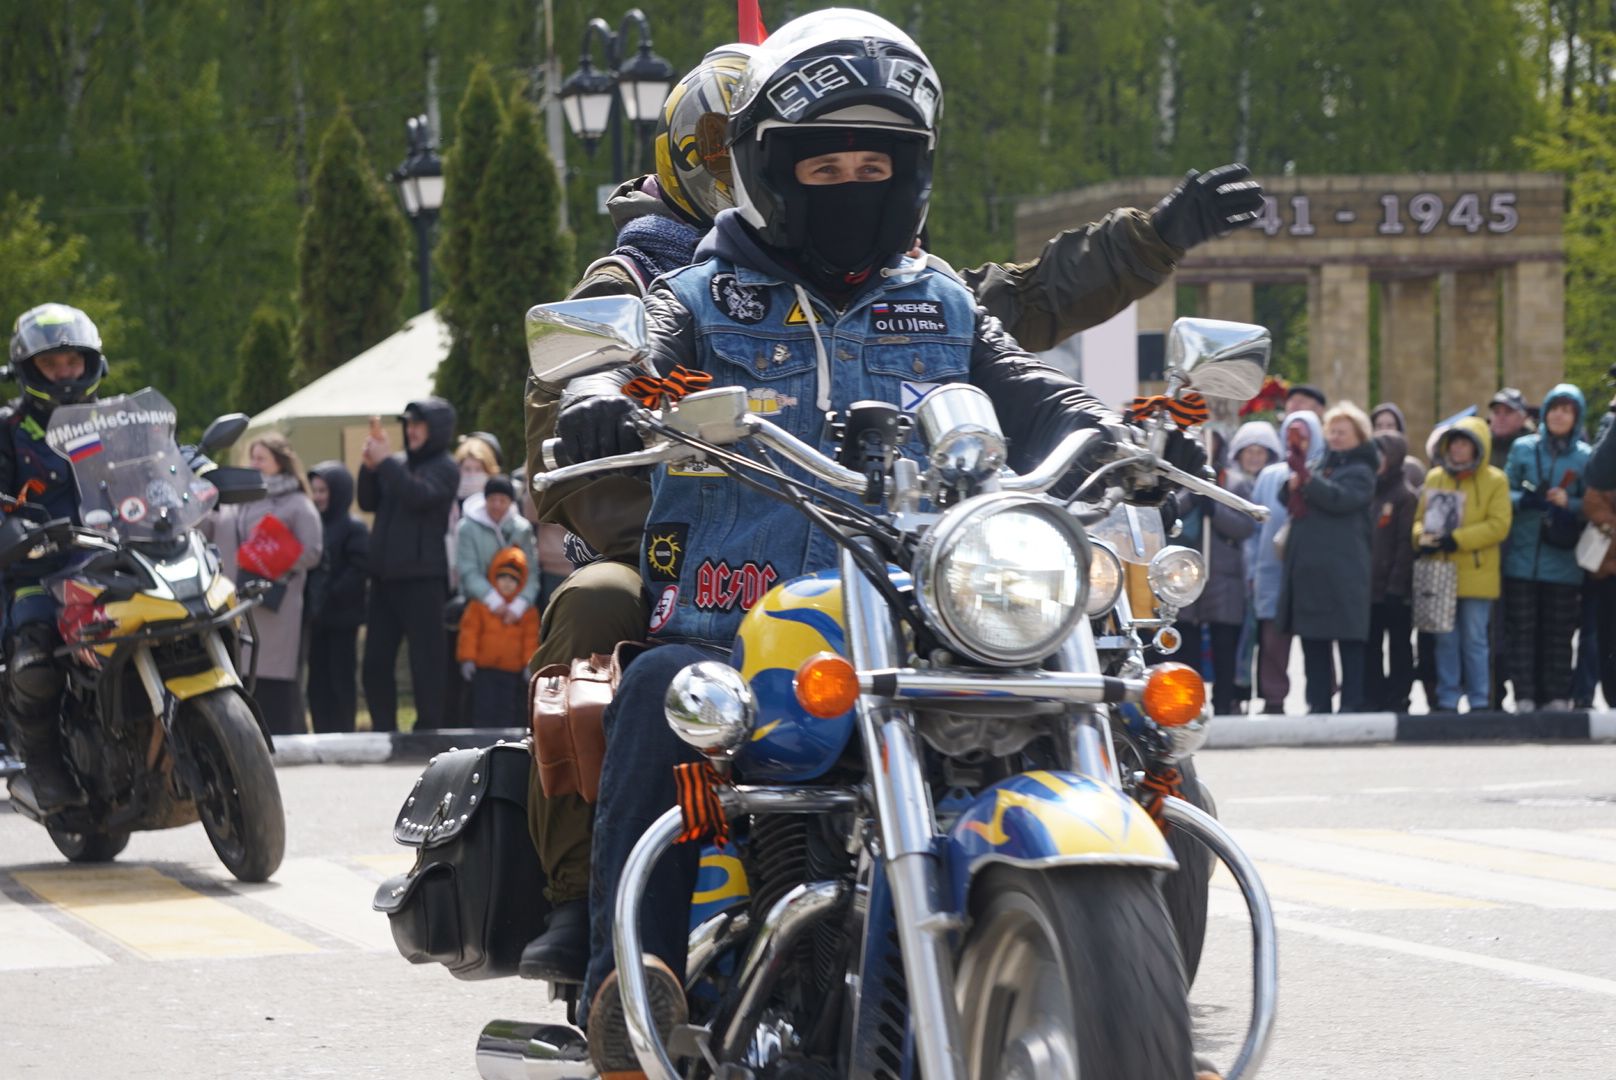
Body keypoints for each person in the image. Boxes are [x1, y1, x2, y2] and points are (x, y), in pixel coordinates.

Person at [515, 38, 1264, 986]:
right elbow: (632, 351)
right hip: (734, 613)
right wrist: (604, 392)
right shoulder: (691, 293)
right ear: (770, 171)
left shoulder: (941, 297)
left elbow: (1032, 383)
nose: (850, 185)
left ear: (910, 173)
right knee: (662, 699)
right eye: (824, 165)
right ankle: (628, 983)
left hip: (925, 606)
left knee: (1119, 704)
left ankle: (1129, 995)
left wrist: (1120, 437)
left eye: (874, 165)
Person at [0, 303, 109, 809]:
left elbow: (161, 465)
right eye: (52, 364)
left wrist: (197, 467)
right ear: (29, 370)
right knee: (35, 655)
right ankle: (40, 757)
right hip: (40, 568)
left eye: (73, 362)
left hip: (115, 560)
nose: (66, 373)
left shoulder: (115, 418)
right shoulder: (10, 429)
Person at [207, 434, 323, 735]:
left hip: (274, 602)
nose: (254, 464)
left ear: (280, 463)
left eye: (262, 458)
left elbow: (313, 550)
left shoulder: (297, 502)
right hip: (234, 599)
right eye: (252, 458)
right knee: (241, 670)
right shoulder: (238, 498)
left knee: (273, 674)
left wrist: (271, 559)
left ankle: (282, 733)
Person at [358, 398, 458, 731]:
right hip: (385, 581)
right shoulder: (396, 465)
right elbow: (367, 501)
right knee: (374, 663)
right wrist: (369, 468)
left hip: (423, 580)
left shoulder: (445, 467)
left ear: (437, 430)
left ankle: (428, 730)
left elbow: (419, 496)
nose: (411, 431)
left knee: (426, 663)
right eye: (408, 424)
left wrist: (385, 463)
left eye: (418, 424)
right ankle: (383, 729)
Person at [1279, 403, 1377, 714]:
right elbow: (1293, 497)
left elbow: (1341, 499)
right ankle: (1317, 702)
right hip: (1312, 572)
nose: (1335, 437)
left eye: (1342, 432)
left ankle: (1351, 702)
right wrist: (1293, 485)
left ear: (1359, 436)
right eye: (1331, 431)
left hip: (1345, 572)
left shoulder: (1362, 470)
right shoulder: (1320, 463)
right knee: (1313, 642)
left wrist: (1307, 480)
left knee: (1349, 642)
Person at [1502, 383, 1591, 712]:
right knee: (1522, 631)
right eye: (1554, 408)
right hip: (1522, 558)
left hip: (1563, 559)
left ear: (1576, 416)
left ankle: (1557, 697)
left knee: (1558, 632)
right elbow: (1504, 491)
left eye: (1567, 410)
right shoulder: (1523, 448)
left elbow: (1594, 504)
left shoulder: (1585, 456)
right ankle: (1524, 695)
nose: (1558, 415)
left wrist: (1571, 501)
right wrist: (1523, 499)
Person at [1414, 417, 1512, 712]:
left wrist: (1457, 539)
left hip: (1477, 573)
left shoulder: (1495, 480)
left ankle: (1480, 698)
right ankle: (1447, 698)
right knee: (1445, 639)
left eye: (1464, 443)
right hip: (1440, 571)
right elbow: (1419, 520)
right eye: (1454, 442)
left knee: (1474, 639)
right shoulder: (1435, 478)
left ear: (1477, 446)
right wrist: (1422, 537)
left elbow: (1499, 525)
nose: (1457, 449)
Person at [1248, 411, 1324, 713]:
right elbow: (1255, 527)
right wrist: (1251, 568)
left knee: (1316, 637)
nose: (1297, 440)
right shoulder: (1270, 476)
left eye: (1303, 434)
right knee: (1273, 640)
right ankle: (1274, 697)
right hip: (1271, 569)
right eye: (1291, 433)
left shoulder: (1323, 471)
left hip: (1311, 569)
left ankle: (1321, 695)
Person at [1182, 430, 1259, 715]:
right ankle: (1189, 705)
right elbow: (1169, 514)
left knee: (1224, 645)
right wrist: (1192, 498)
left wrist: (1214, 510)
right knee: (1187, 645)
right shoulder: (1178, 479)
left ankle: (1224, 703)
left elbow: (1245, 526)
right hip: (1188, 575)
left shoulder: (1236, 484)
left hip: (1225, 577)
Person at [306, 461, 369, 734]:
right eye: (315, 490)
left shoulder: (353, 527)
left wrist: (332, 593)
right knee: (317, 681)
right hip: (317, 618)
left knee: (340, 679)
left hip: (342, 619)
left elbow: (359, 567)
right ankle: (322, 731)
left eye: (324, 491)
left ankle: (343, 731)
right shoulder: (314, 524)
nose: (318, 497)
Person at [456, 544, 539, 727]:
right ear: (494, 577)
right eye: (503, 577)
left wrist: (529, 664)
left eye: (513, 579)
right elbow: (469, 633)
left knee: (507, 710)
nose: (507, 582)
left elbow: (531, 640)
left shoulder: (528, 613)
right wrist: (467, 659)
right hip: (484, 670)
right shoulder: (479, 607)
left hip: (511, 672)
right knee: (483, 709)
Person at [1366, 431, 1417, 711]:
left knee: (1399, 646)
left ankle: (1399, 695)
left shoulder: (1404, 495)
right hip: (1369, 588)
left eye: (1381, 454)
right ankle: (1373, 695)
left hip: (1395, 589)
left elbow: (1404, 545)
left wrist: (1396, 586)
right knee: (1371, 647)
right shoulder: (1367, 491)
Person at [455, 474, 539, 622]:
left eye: (503, 500)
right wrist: (492, 600)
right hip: (478, 606)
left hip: (516, 610)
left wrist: (519, 604)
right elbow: (467, 569)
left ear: (511, 502)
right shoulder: (466, 528)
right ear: (485, 499)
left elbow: (531, 570)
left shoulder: (522, 529)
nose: (497, 505)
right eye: (492, 499)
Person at [1578, 483, 1616, 704]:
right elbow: (1594, 509)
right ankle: (1609, 698)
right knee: (1600, 639)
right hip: (1603, 576)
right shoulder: (1605, 468)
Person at [1370, 401, 1428, 491]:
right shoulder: (1365, 468)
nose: (1384, 431)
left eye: (1390, 426)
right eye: (1379, 426)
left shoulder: (1413, 469)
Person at [1488, 388, 1531, 471]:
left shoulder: (1534, 450)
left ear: (1523, 418)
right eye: (1496, 412)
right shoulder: (1479, 447)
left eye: (1508, 412)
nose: (1501, 418)